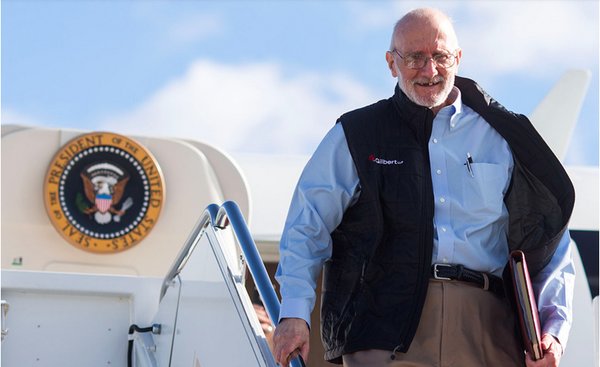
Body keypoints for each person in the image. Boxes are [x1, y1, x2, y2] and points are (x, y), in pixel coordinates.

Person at [272, 7, 575, 367]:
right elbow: (307, 225)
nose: (430, 70)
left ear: (458, 58)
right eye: (415, 57)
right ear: (391, 63)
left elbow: (551, 242)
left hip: (489, 328)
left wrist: (553, 330)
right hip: (384, 328)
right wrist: (293, 312)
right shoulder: (357, 134)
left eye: (440, 56)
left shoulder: (504, 137)